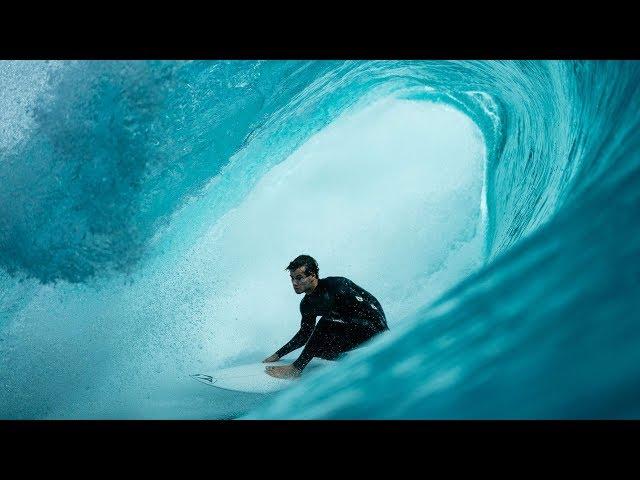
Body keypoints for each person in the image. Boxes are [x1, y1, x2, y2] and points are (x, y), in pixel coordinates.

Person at [264, 254, 389, 379]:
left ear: (312, 275)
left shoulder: (337, 287)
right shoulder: (307, 304)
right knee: (318, 350)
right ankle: (349, 360)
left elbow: (371, 307)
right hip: (353, 331)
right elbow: (305, 334)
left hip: (373, 328)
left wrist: (386, 336)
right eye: (292, 278)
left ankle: (296, 368)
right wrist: (278, 355)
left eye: (299, 278)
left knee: (326, 321)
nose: (294, 283)